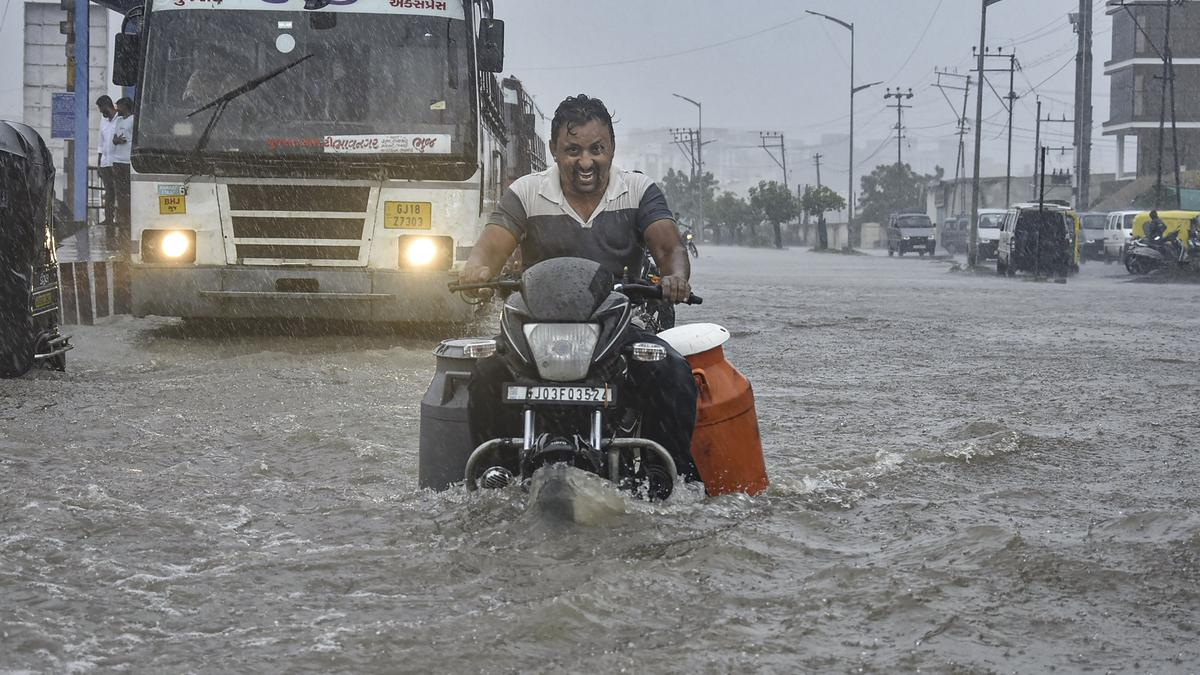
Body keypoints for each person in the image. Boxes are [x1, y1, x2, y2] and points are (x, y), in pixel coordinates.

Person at [459, 94, 701, 481]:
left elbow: (670, 247)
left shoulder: (638, 190)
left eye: (596, 149)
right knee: (486, 376)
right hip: (534, 333)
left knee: (671, 371)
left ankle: (666, 476)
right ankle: (493, 475)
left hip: (618, 331)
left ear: (612, 150)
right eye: (573, 150)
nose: (586, 161)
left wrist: (676, 277)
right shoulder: (525, 192)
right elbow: (490, 248)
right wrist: (476, 269)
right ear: (554, 150)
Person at [109, 97, 135, 254]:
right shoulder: (118, 121)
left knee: (128, 192)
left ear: (126, 106)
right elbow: (115, 139)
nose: (117, 108)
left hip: (127, 161)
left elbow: (128, 139)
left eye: (119, 105)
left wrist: (121, 140)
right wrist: (117, 140)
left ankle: (128, 218)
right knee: (120, 192)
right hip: (117, 160)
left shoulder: (133, 120)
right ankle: (122, 218)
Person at [95, 96, 117, 245]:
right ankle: (108, 218)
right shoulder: (103, 121)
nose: (101, 112)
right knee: (109, 192)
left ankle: (120, 219)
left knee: (119, 192)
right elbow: (100, 144)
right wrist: (98, 164)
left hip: (117, 162)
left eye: (102, 109)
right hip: (105, 162)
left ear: (106, 106)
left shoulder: (120, 120)